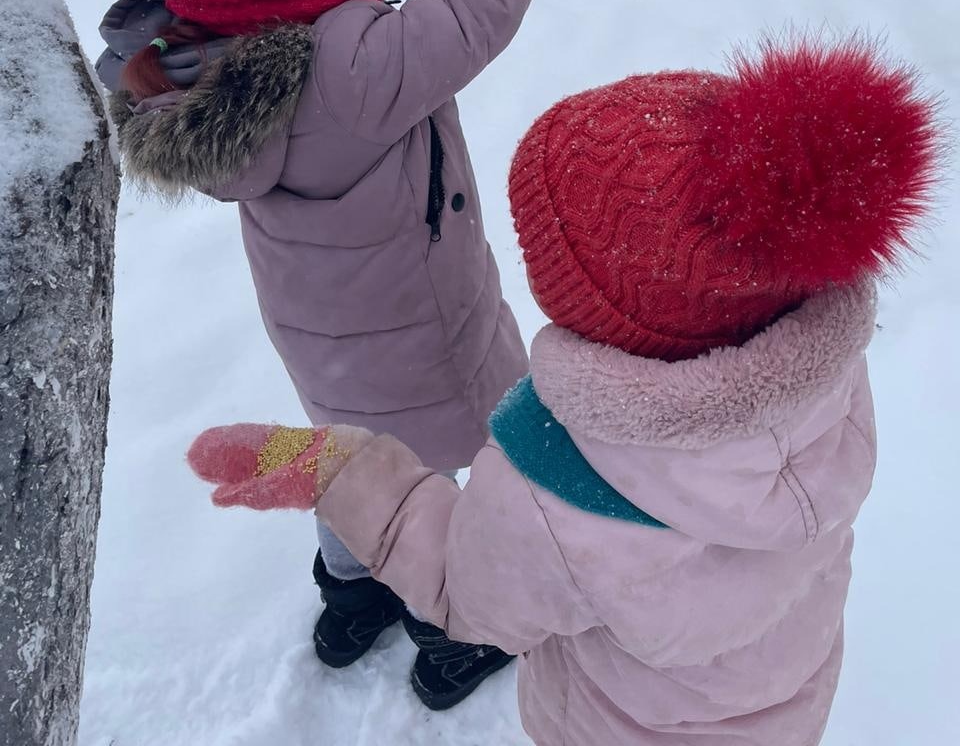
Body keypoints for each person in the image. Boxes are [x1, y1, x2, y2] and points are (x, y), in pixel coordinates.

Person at [94, 0, 625, 710]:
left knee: (345, 460)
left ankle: (349, 599)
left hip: (326, 347)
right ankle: (458, 618)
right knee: (478, 470)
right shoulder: (357, 65)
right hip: (432, 337)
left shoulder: (213, 39)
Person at [189, 38, 938, 745]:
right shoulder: (825, 375)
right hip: (788, 708)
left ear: (592, 301)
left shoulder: (558, 487)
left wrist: (333, 469)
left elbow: (465, 590)